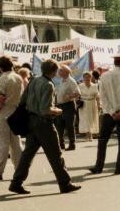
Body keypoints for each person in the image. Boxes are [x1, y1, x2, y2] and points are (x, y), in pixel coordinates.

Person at [8, 59, 81, 195]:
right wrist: (58, 111)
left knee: (28, 154)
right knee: (55, 154)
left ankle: (16, 182)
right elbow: (45, 109)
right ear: (53, 71)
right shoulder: (48, 85)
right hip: (43, 123)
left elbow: (23, 99)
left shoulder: (34, 80)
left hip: (32, 121)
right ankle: (65, 183)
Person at [90, 53, 120, 175]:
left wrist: (111, 111)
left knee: (103, 140)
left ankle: (98, 166)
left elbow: (102, 96)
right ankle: (118, 168)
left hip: (108, 113)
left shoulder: (104, 76)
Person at [55, 65, 80, 150]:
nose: (59, 72)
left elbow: (78, 93)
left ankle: (72, 144)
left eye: (61, 70)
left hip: (68, 105)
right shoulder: (62, 80)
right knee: (59, 126)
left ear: (66, 72)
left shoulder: (71, 81)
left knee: (69, 126)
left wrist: (69, 96)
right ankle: (61, 144)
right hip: (60, 105)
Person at [77, 71, 100, 141]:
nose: (87, 78)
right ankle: (88, 135)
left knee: (92, 119)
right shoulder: (80, 86)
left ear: (91, 77)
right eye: (85, 77)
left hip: (92, 103)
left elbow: (97, 96)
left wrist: (99, 104)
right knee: (85, 119)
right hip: (84, 104)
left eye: (88, 77)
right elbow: (77, 95)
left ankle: (90, 134)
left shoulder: (95, 85)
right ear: (83, 78)